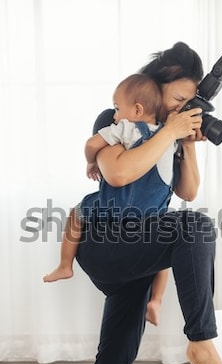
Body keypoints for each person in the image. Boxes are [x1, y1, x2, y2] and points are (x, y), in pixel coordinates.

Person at [75, 41, 222, 364]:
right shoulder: (117, 119)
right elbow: (117, 174)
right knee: (196, 225)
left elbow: (187, 192)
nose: (183, 106)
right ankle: (201, 342)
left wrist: (185, 142)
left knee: (114, 359)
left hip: (138, 255)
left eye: (190, 100)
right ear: (156, 88)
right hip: (104, 242)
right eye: (178, 97)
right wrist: (169, 132)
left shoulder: (173, 128)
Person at [43, 73, 171, 326]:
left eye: (116, 108)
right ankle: (156, 300)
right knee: (164, 253)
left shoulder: (126, 128)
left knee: (77, 212)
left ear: (137, 109)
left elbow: (91, 144)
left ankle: (64, 264)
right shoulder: (169, 138)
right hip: (153, 214)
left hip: (119, 209)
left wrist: (91, 159)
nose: (114, 115)